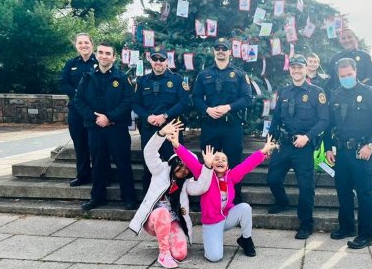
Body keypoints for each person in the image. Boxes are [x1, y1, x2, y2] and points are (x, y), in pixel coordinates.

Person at [172, 129, 277, 262]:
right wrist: (176, 145)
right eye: (216, 159)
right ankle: (213, 240)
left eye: (223, 160)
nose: (220, 161)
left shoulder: (232, 176)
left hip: (227, 217)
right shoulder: (204, 173)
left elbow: (247, 165)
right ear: (211, 162)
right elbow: (189, 160)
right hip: (212, 222)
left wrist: (263, 151)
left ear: (227, 165)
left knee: (245, 208)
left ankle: (246, 239)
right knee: (215, 257)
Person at [129, 120, 212, 268]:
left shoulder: (185, 184)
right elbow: (149, 152)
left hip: (172, 220)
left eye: (187, 168)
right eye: (181, 164)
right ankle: (163, 253)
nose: (183, 169)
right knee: (162, 213)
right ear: (174, 162)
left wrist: (207, 167)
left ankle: (166, 241)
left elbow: (202, 187)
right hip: (153, 219)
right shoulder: (160, 170)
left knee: (180, 254)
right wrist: (161, 134)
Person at [324, 58, 372, 249]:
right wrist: (328, 148)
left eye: (349, 75)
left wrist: (370, 145)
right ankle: (347, 227)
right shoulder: (335, 95)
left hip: (363, 153)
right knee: (343, 192)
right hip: (342, 152)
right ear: (338, 75)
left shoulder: (369, 93)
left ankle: (366, 235)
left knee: (364, 194)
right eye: (342, 76)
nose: (346, 78)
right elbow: (328, 125)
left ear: (356, 72)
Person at [267, 54, 329, 240]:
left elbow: (325, 120)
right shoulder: (284, 92)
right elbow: (276, 119)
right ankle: (282, 202)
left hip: (304, 146)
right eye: (293, 68)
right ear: (290, 70)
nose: (296, 71)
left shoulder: (316, 92)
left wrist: (308, 137)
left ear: (306, 69)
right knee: (273, 178)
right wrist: (269, 142)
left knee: (306, 186)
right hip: (284, 145)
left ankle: (306, 223)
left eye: (299, 67)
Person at [74, 41, 136, 211]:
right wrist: (94, 118)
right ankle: (97, 197)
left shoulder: (122, 78)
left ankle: (129, 198)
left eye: (108, 53)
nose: (104, 56)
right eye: (101, 52)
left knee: (123, 164)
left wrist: (109, 117)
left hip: (117, 129)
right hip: (95, 129)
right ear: (97, 55)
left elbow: (129, 101)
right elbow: (78, 101)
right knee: (99, 164)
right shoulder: (87, 77)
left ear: (113, 57)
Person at [192, 37, 252, 204]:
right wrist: (207, 109)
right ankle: (206, 199)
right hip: (210, 126)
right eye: (217, 48)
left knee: (233, 164)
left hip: (232, 126)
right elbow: (196, 98)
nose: (220, 51)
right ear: (214, 51)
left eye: (224, 48)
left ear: (229, 52)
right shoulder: (204, 74)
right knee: (208, 163)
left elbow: (247, 98)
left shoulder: (240, 74)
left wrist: (228, 107)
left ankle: (235, 200)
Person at [133, 51, 190, 193]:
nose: (158, 62)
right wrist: (147, 117)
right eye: (155, 58)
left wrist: (165, 115)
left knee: (176, 164)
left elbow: (184, 102)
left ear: (167, 61)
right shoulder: (142, 81)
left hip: (171, 129)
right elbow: (135, 104)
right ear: (150, 61)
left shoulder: (177, 80)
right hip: (149, 129)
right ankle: (149, 202)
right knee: (149, 165)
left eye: (161, 59)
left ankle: (177, 201)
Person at [326, 28, 372, 170]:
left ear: (355, 38)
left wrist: (359, 90)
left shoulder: (365, 57)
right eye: (343, 38)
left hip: (362, 100)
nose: (346, 40)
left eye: (349, 37)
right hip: (341, 101)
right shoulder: (335, 58)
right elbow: (332, 80)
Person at [59, 33, 97, 187]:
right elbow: (63, 83)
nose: (83, 45)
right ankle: (82, 175)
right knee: (79, 143)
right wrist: (78, 94)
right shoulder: (71, 63)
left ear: (91, 44)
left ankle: (99, 175)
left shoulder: (98, 62)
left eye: (86, 42)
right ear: (76, 46)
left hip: (94, 110)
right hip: (76, 110)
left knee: (95, 144)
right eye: (80, 43)